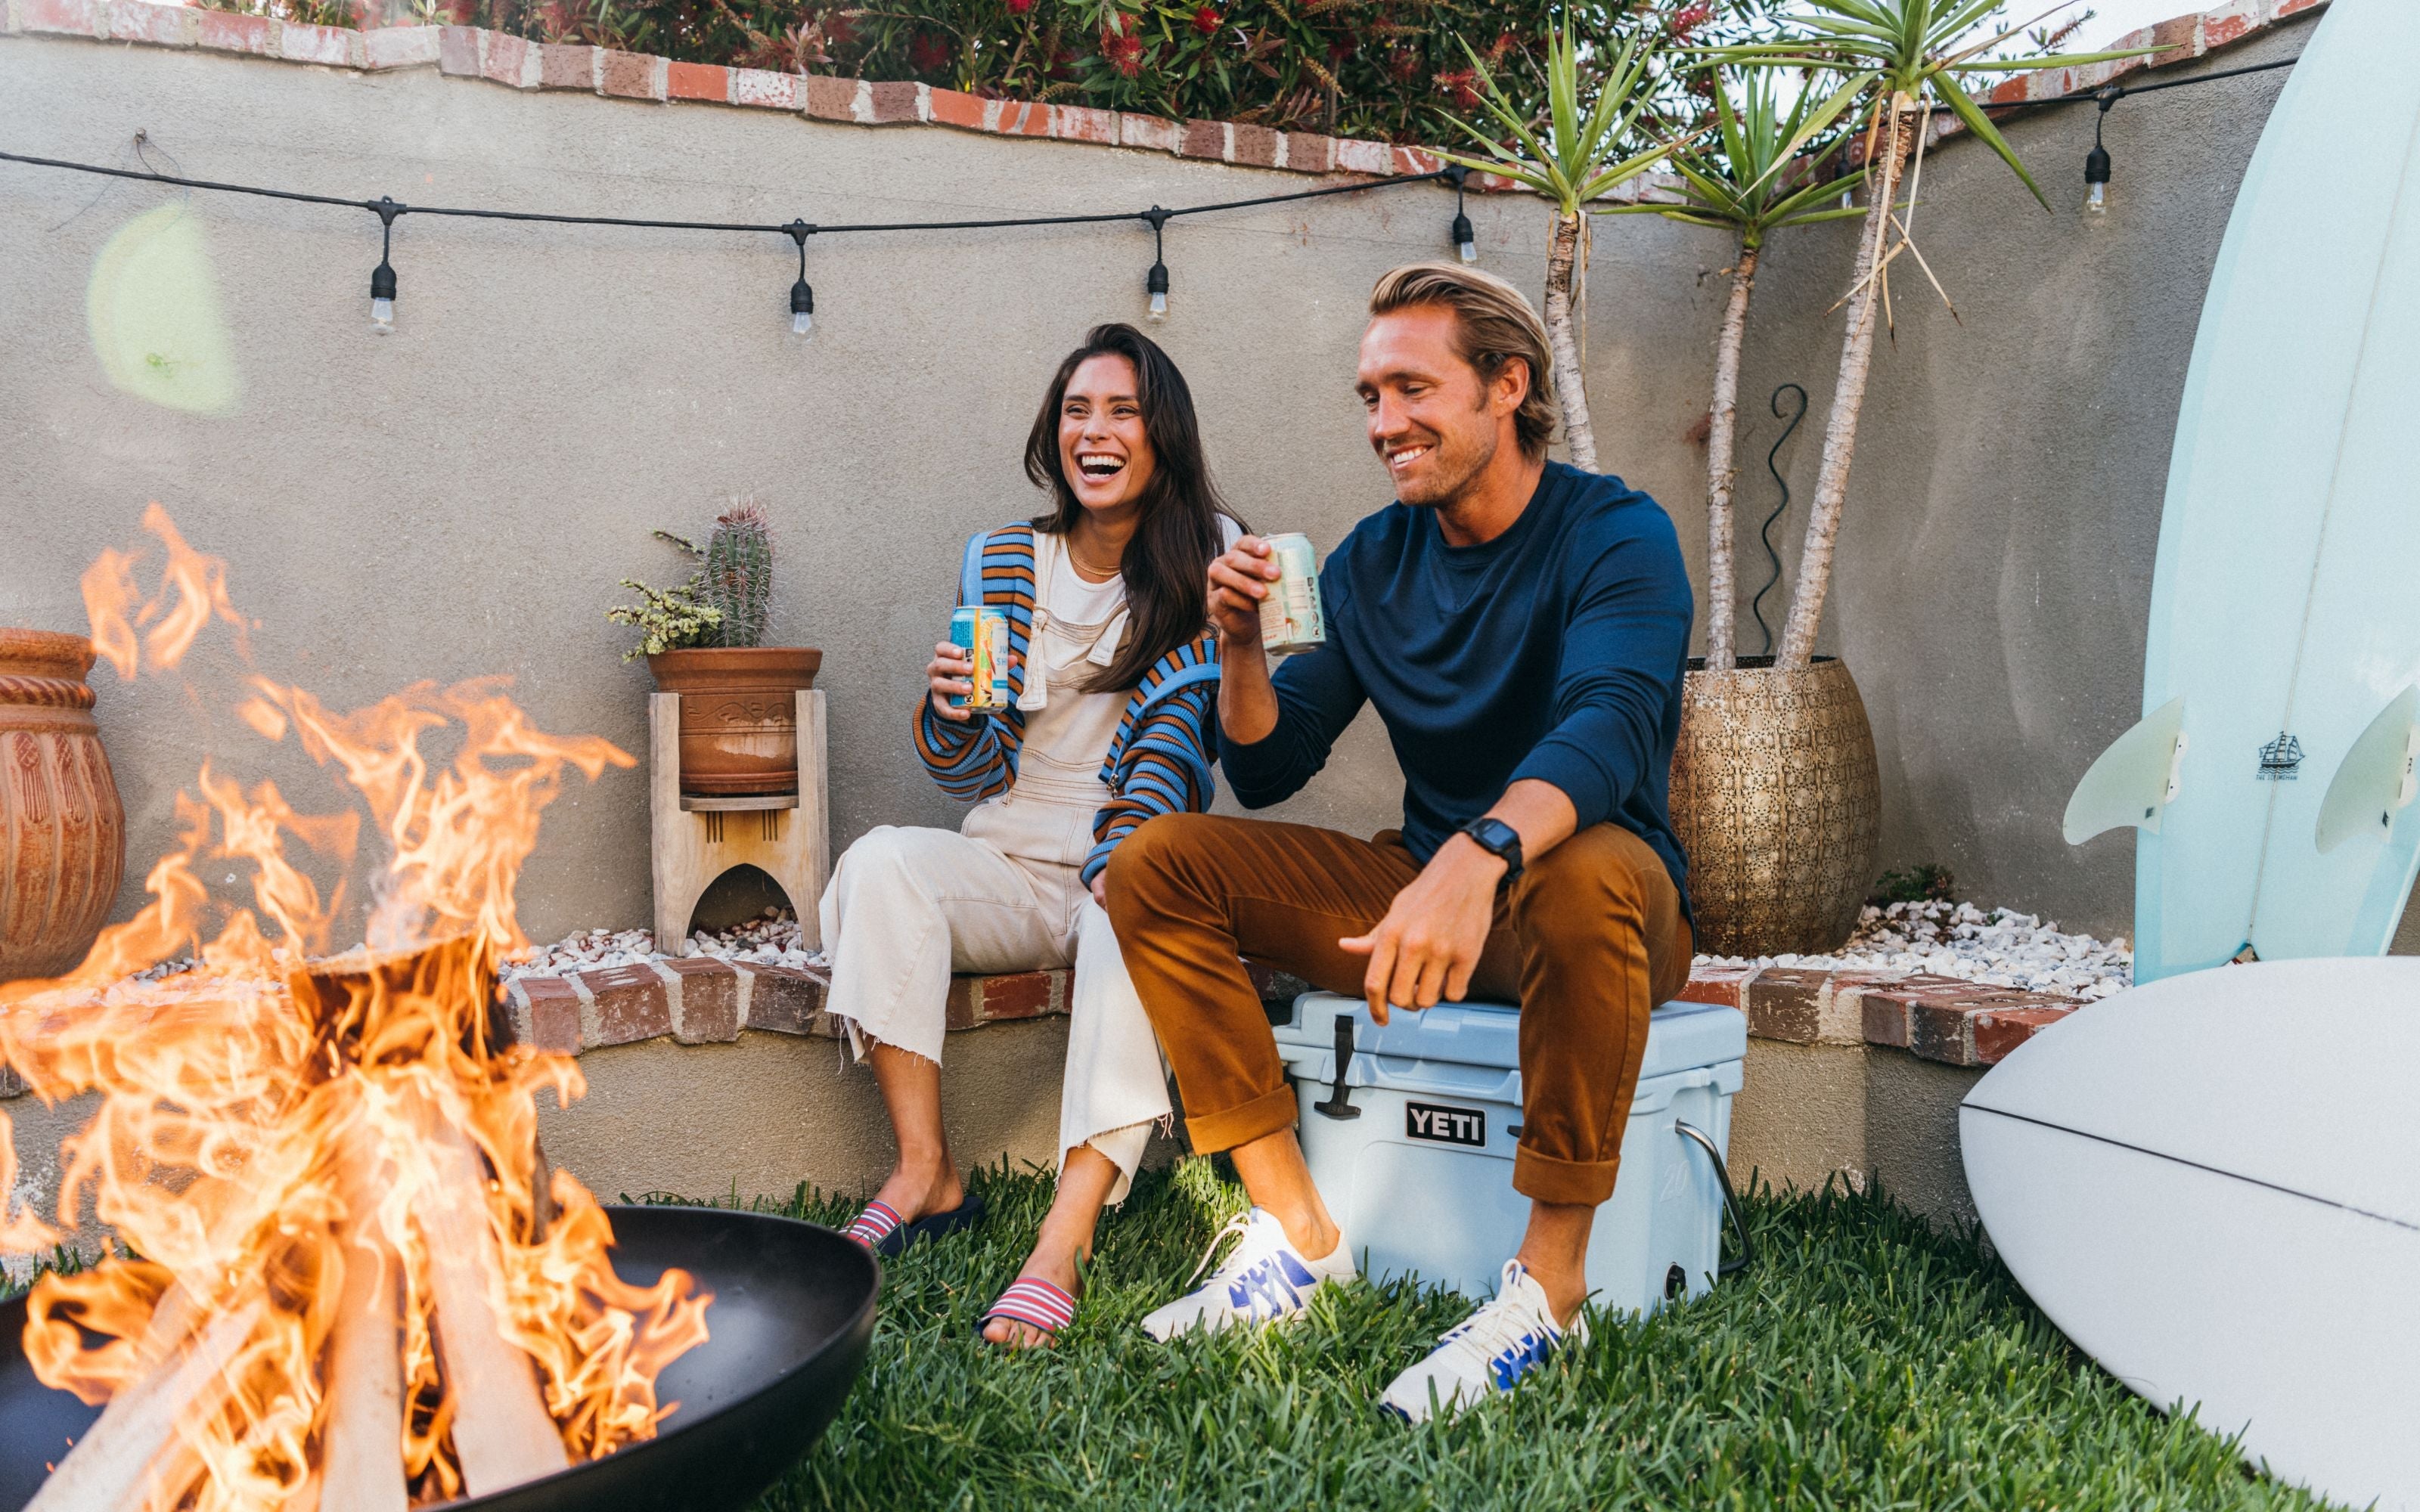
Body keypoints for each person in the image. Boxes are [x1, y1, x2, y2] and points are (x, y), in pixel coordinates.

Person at [1103, 263, 1695, 1419]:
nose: (1383, 422)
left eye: (1412, 389)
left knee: (1580, 874)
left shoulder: (1617, 533)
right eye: (1370, 396)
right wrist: (1240, 650)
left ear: (1507, 386)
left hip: (1603, 910)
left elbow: (1611, 725)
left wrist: (1479, 857)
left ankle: (1549, 1292)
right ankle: (1298, 1234)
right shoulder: (1374, 562)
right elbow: (1269, 766)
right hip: (1428, 900)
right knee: (1156, 865)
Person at [819, 324, 1242, 1347]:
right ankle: (927, 1173)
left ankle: (1065, 1235)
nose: (1095, 432)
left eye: (1123, 411)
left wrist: (1120, 864)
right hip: (1009, 857)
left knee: (1135, 906)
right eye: (1076, 411)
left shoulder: (1210, 558)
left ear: (1164, 434)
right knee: (879, 865)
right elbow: (970, 771)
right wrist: (948, 712)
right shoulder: (1005, 559)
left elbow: (1184, 745)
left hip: (1133, 856)